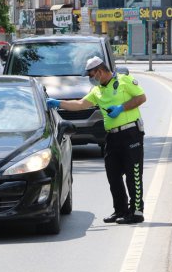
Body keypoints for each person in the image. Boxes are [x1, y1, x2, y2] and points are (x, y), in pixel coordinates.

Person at [46, 56, 147, 225]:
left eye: (93, 75)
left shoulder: (124, 80)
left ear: (100, 71)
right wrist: (58, 103)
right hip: (112, 136)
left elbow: (141, 98)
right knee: (113, 175)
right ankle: (120, 209)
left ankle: (136, 211)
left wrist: (122, 108)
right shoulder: (98, 90)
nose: (92, 79)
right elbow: (80, 104)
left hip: (131, 133)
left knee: (133, 174)